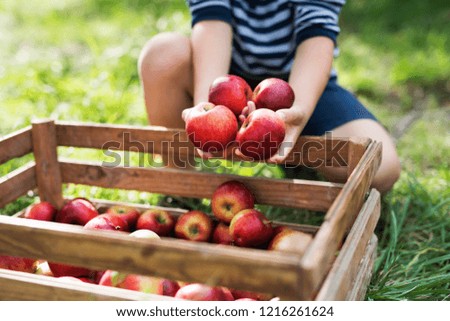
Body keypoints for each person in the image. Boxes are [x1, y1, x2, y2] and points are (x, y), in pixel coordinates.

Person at [138, 0, 401, 193]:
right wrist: (206, 109)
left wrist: (298, 111)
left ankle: (294, 152)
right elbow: (211, 21)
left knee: (382, 167)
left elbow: (317, 34)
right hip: (229, 80)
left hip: (299, 86)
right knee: (162, 55)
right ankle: (178, 183)